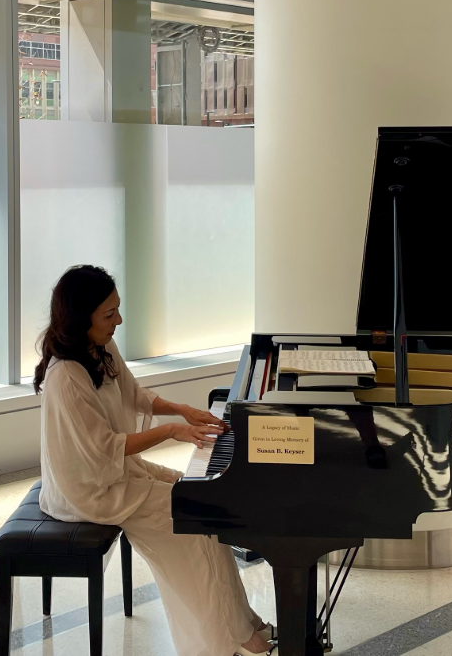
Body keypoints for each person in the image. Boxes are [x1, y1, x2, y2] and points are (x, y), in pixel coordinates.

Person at [34, 266, 273, 656]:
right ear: (82, 317)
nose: (119, 321)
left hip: (113, 474)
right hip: (89, 491)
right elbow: (104, 447)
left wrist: (181, 410)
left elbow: (134, 394)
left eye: (118, 310)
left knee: (205, 504)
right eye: (109, 314)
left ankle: (240, 622)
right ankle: (226, 640)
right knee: (196, 522)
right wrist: (171, 431)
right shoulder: (66, 377)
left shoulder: (101, 348)